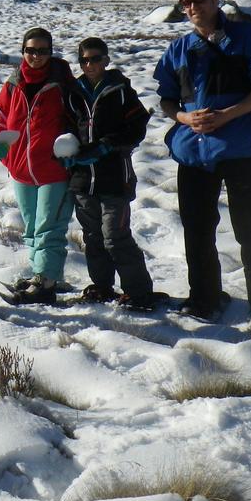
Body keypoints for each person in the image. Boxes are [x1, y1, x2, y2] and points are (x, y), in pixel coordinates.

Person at [153, 0, 251, 348]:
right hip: (194, 153)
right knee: (196, 229)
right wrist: (184, 119)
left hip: (240, 150)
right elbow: (167, 99)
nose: (192, 7)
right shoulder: (178, 49)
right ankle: (205, 297)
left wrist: (228, 114)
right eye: (186, 3)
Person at [0, 27, 84, 305]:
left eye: (43, 51)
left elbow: (80, 122)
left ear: (51, 52)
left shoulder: (63, 84)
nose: (36, 56)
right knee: (32, 227)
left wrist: (71, 151)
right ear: (23, 51)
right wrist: (6, 156)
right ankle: (41, 275)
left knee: (49, 227)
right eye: (31, 50)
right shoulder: (12, 84)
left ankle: (45, 282)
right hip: (21, 169)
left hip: (53, 170)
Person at [64, 37, 157, 309]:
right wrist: (66, 153)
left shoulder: (121, 91)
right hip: (83, 179)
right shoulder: (74, 93)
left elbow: (137, 128)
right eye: (84, 60)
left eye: (95, 58)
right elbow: (67, 128)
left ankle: (139, 292)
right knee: (93, 238)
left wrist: (107, 145)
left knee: (115, 237)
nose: (90, 64)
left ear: (106, 59)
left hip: (115, 178)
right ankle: (102, 287)